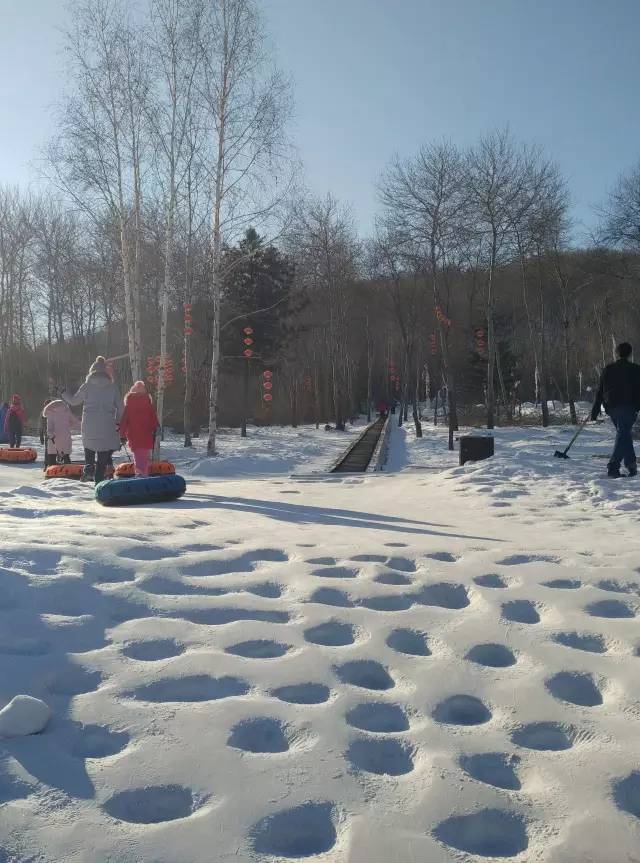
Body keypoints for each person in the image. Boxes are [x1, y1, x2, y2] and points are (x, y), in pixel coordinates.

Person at [63, 356, 124, 484]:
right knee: (103, 452)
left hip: (89, 423)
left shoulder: (87, 386)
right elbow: (121, 408)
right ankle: (99, 482)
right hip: (107, 424)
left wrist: (63, 393)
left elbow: (74, 401)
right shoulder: (113, 387)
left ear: (91, 371)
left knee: (89, 445)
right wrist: (117, 422)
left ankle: (89, 466)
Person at [591, 341, 640, 478]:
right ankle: (613, 467)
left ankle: (631, 464)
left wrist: (595, 411)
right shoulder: (636, 369)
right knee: (623, 433)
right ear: (630, 354)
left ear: (617, 353)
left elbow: (599, 391)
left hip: (612, 407)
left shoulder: (608, 369)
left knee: (624, 433)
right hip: (629, 407)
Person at [119, 380, 159, 477]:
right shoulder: (148, 404)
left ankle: (140, 475)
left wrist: (122, 435)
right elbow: (154, 419)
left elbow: (124, 421)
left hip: (134, 436)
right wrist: (157, 429)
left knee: (138, 456)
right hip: (147, 435)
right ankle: (144, 475)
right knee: (145, 457)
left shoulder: (129, 405)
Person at [41, 398, 80, 470]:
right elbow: (76, 422)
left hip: (54, 438)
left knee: (52, 458)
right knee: (66, 456)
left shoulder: (50, 412)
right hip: (65, 437)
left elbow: (50, 428)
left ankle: (52, 475)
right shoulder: (66, 410)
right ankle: (69, 472)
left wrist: (50, 434)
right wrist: (67, 426)